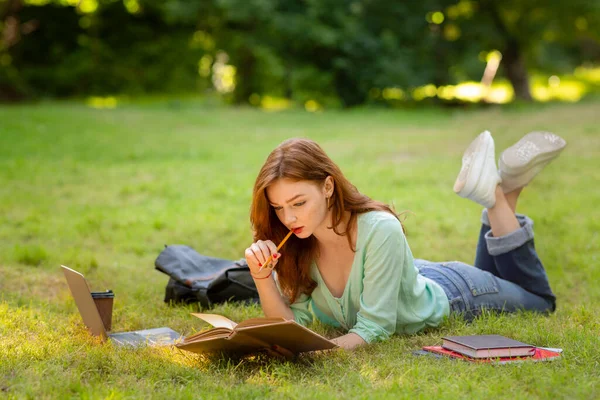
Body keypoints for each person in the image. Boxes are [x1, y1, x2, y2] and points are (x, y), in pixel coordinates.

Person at [244, 131, 566, 350]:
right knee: (505, 279)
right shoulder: (300, 244)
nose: (288, 218)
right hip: (411, 276)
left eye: (298, 203)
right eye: (278, 207)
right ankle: (507, 186)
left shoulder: (379, 230)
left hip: (457, 292)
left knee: (539, 301)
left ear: (328, 187)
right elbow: (291, 325)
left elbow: (374, 329)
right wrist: (262, 278)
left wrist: (310, 354)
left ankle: (497, 195)